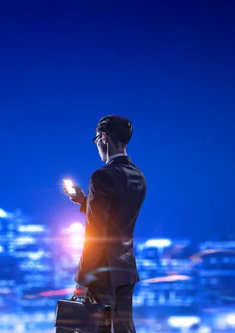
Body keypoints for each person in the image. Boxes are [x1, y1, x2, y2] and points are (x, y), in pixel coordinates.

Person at [64, 115, 146, 333]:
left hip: (102, 273)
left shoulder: (101, 176)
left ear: (104, 137)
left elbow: (95, 232)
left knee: (96, 329)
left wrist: (82, 281)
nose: (97, 145)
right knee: (123, 329)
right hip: (126, 271)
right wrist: (84, 201)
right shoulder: (138, 176)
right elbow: (116, 218)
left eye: (96, 139)